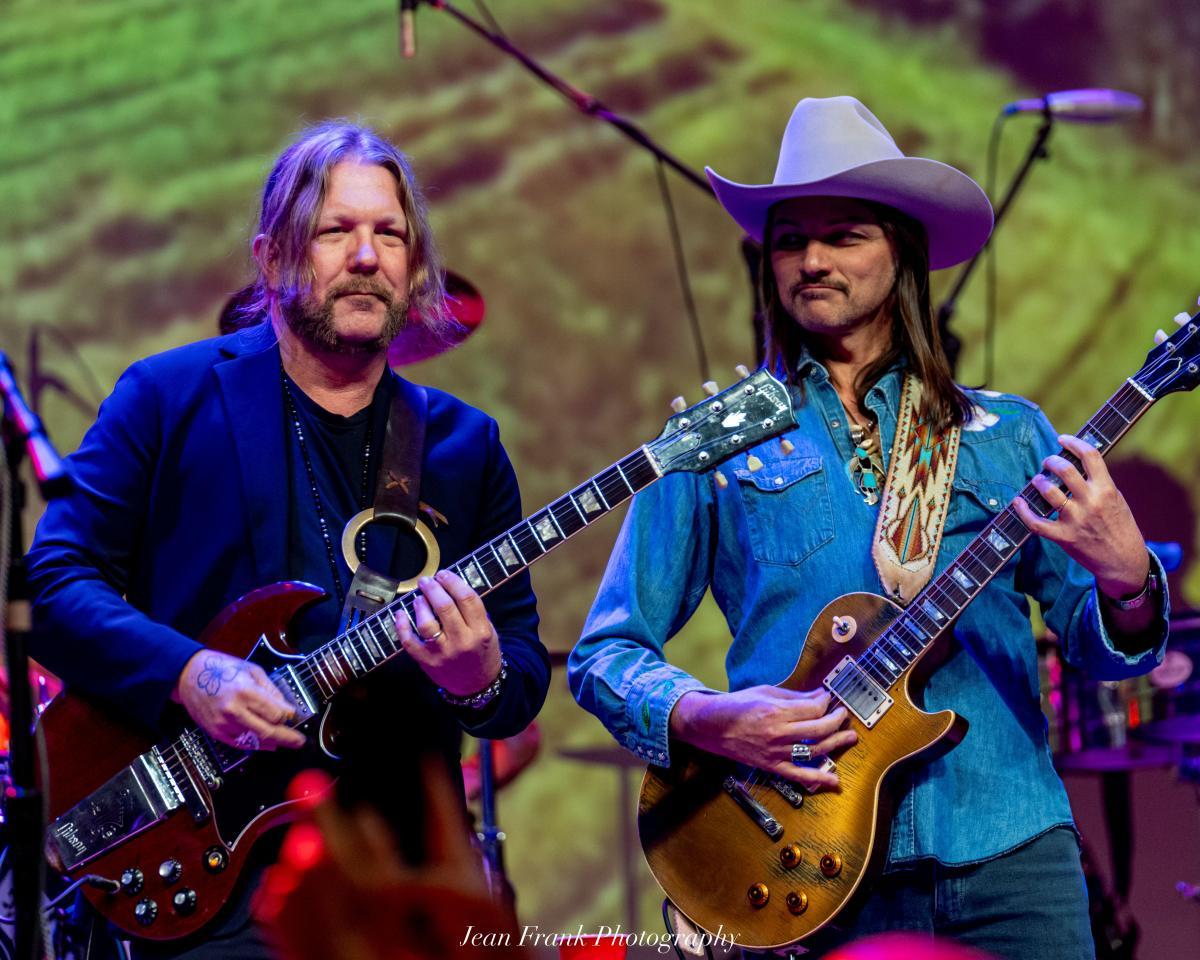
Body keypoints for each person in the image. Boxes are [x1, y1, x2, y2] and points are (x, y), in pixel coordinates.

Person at [568, 97, 1169, 959]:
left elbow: (1104, 650)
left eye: (843, 234)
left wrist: (1125, 580)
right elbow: (603, 654)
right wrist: (705, 716)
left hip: (1010, 855)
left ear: (903, 251)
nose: (811, 259)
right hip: (806, 869)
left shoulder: (1006, 437)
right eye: (788, 240)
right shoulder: (713, 443)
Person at [28, 121, 549, 958]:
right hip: (205, 880)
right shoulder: (168, 397)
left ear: (415, 267)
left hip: (398, 888)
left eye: (391, 234)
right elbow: (50, 581)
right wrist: (190, 675)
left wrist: (477, 677)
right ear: (272, 257)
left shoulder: (461, 445)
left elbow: (518, 678)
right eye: (336, 231)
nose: (368, 256)